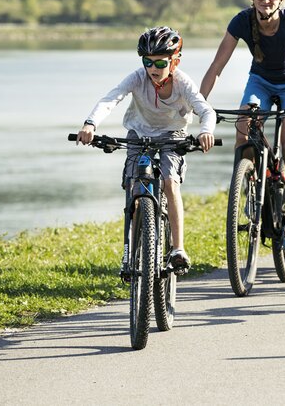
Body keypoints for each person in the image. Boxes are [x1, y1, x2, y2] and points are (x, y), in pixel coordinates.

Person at [200, 0, 285, 250]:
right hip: (261, 82)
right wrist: (201, 104)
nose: (265, 0)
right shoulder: (241, 21)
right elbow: (217, 66)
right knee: (244, 129)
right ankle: (252, 185)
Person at [76, 26, 216, 272]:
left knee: (170, 182)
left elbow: (206, 110)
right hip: (138, 133)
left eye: (160, 63)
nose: (153, 69)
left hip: (173, 135)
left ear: (175, 62)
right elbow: (112, 98)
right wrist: (90, 123)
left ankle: (177, 249)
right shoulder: (137, 77)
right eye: (147, 62)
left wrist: (206, 131)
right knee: (134, 187)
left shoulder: (183, 82)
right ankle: (130, 253)